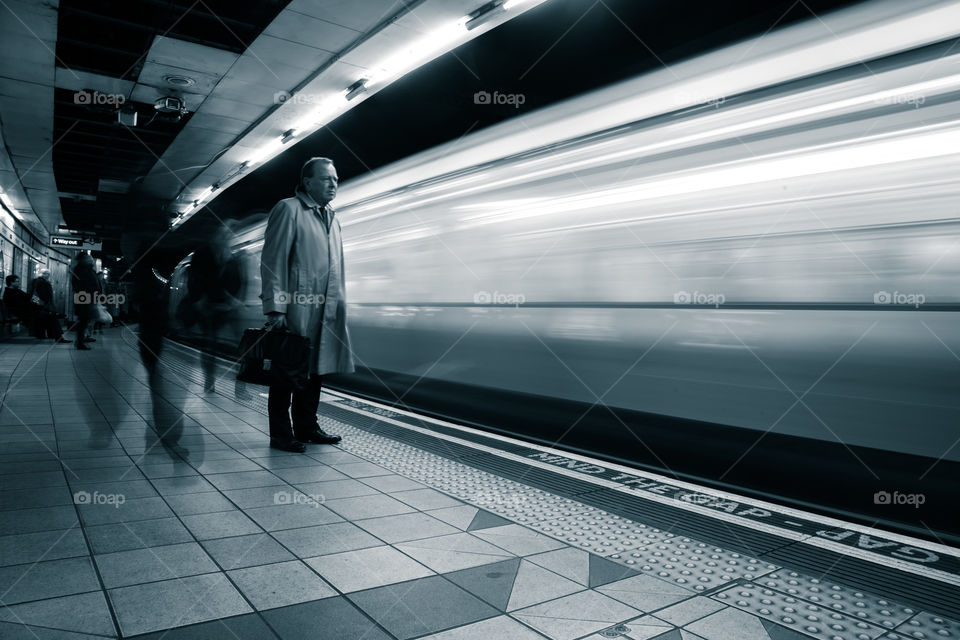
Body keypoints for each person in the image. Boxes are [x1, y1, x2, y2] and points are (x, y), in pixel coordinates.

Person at [260, 157, 354, 452]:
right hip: (297, 307)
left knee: (315, 371)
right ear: (307, 182)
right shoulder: (289, 209)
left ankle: (307, 426)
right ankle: (280, 434)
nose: (333, 184)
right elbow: (273, 261)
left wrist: (338, 305)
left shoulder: (333, 218)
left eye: (336, 179)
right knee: (287, 371)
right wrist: (276, 308)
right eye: (326, 179)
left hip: (325, 310)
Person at [187, 222, 244, 392]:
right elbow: (194, 277)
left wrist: (235, 299)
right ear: (216, 236)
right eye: (224, 235)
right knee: (210, 345)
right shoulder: (202, 253)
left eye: (229, 236)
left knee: (241, 346)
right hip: (208, 306)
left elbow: (238, 280)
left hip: (228, 307)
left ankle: (240, 385)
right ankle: (209, 381)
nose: (227, 238)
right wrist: (197, 299)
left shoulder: (232, 256)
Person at [71, 252, 100, 350]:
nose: (90, 259)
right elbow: (81, 285)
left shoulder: (87, 269)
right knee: (83, 320)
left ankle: (82, 340)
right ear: (83, 259)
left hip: (88, 298)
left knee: (86, 320)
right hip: (84, 299)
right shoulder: (81, 270)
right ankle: (80, 342)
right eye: (88, 258)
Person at [29, 269, 67, 342]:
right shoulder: (44, 283)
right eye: (47, 274)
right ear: (43, 274)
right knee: (52, 318)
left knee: (42, 320)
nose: (48, 275)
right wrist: (47, 303)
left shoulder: (34, 281)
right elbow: (45, 295)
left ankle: (42, 335)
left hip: (36, 305)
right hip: (43, 305)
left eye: (48, 274)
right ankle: (57, 337)